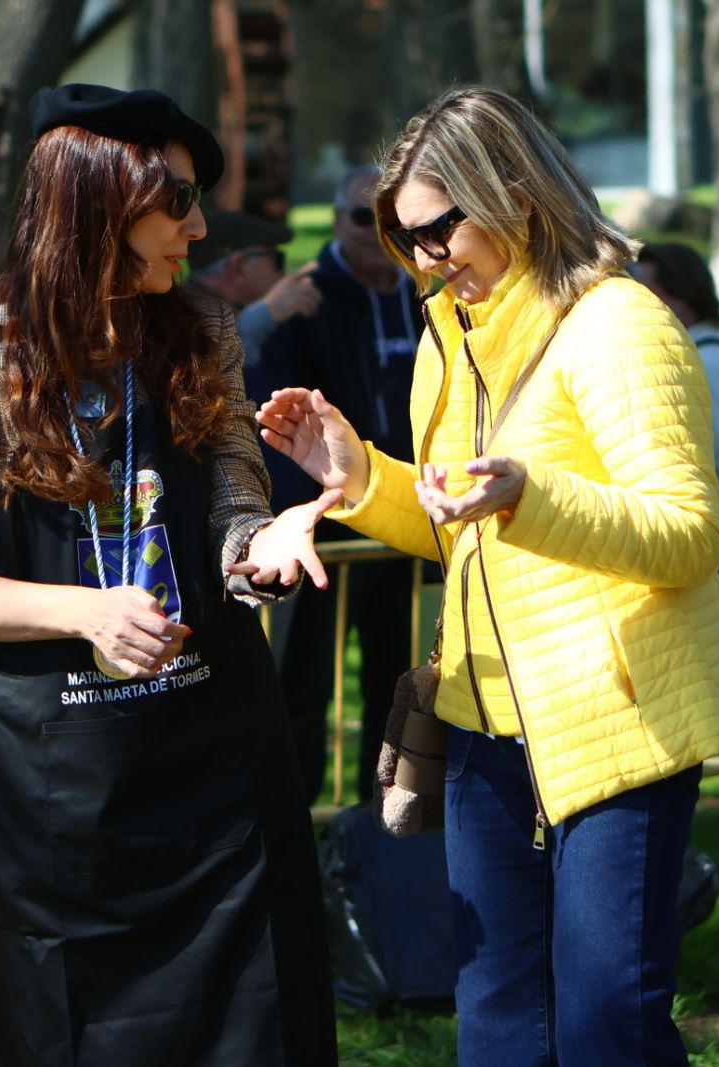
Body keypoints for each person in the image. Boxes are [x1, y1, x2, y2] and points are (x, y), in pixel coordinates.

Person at [257, 86, 719, 1066]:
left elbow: (688, 535)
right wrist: (358, 478)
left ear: (516, 194)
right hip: (483, 731)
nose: (427, 261)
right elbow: (458, 531)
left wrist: (530, 494)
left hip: (620, 731)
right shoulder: (449, 340)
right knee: (496, 1025)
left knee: (610, 1028)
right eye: (407, 241)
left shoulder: (620, 323)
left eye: (439, 229)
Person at [0, 83, 337, 1065]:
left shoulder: (205, 330)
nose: (202, 226)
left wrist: (258, 554)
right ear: (97, 198)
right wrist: (87, 610)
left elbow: (231, 506)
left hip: (217, 757)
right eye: (176, 201)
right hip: (54, 792)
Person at [260, 164, 422, 803]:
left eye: (392, 222)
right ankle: (298, 830)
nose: (377, 234)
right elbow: (274, 422)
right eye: (362, 218)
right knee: (302, 685)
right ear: (335, 221)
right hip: (322, 533)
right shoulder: (303, 299)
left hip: (409, 520)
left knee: (402, 684)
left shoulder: (428, 293)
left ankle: (383, 826)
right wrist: (301, 513)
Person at [633, 242, 719, 461]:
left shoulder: (710, 362)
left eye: (648, 294)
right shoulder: (699, 353)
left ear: (681, 296)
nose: (636, 304)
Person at [184, 208, 321, 367]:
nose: (284, 272)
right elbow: (208, 363)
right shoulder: (182, 316)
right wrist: (267, 311)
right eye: (277, 259)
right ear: (238, 267)